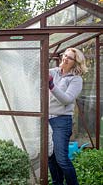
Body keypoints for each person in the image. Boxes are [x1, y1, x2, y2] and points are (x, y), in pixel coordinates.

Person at [48, 47, 88, 185]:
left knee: (62, 159)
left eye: (69, 57)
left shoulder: (76, 80)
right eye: (65, 55)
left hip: (61, 120)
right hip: (46, 118)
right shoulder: (53, 72)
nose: (65, 58)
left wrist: (51, 85)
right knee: (50, 157)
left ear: (75, 62)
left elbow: (66, 99)